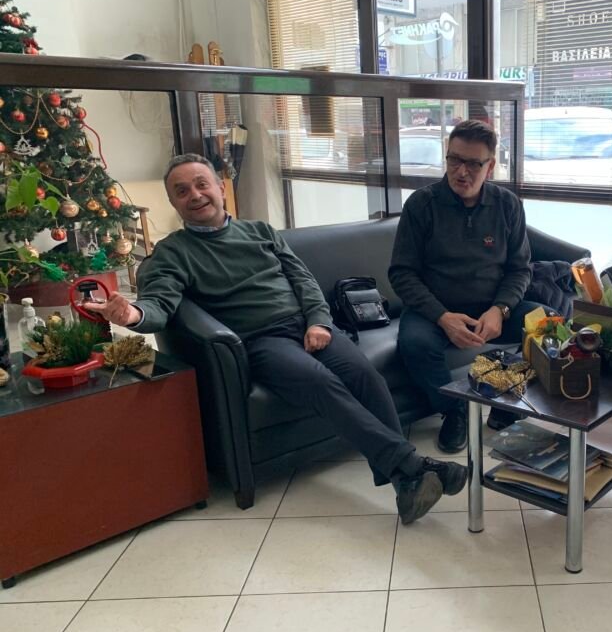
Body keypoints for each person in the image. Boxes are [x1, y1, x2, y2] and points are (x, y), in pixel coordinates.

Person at [84, 153, 466, 525]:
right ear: (173, 202)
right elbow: (159, 303)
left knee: (365, 375)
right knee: (320, 382)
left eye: (202, 184)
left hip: (307, 325)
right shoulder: (172, 253)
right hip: (261, 341)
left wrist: (319, 321)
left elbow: (304, 280)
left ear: (220, 187)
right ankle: (413, 466)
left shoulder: (260, 232)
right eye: (182, 191)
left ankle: (405, 481)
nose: (195, 195)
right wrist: (132, 315)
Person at [389, 119, 543, 452]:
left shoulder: (508, 205)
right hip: (434, 310)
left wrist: (501, 309)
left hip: (491, 306)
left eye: (473, 164)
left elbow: (520, 269)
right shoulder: (421, 205)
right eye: (454, 160)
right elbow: (402, 273)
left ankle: (505, 401)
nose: (462, 172)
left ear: (490, 166)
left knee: (545, 326)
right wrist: (442, 317)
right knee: (414, 344)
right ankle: (454, 411)